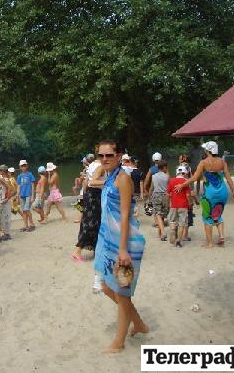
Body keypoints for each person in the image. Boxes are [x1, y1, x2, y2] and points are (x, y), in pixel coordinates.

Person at [93, 140, 148, 354]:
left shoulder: (123, 179)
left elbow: (125, 215)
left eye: (109, 155)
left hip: (124, 242)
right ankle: (139, 323)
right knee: (106, 286)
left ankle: (119, 342)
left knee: (122, 292)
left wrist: (123, 250)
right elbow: (92, 182)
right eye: (101, 155)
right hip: (108, 240)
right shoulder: (109, 178)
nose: (105, 159)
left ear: (118, 156)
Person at [174, 141, 234, 248]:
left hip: (210, 194)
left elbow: (194, 178)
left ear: (208, 151)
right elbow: (228, 178)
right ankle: (221, 236)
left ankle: (209, 243)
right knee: (217, 214)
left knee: (207, 217)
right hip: (223, 192)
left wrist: (182, 185)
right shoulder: (222, 162)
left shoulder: (203, 162)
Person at [71, 153, 105, 262]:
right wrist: (109, 182)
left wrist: (84, 196)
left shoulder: (92, 165)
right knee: (91, 223)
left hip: (90, 195)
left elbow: (86, 182)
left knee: (93, 222)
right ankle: (77, 251)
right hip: (95, 195)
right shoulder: (101, 166)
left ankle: (96, 250)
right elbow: (92, 181)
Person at [166, 166, 192, 247]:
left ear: (176, 172)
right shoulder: (186, 182)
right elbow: (188, 195)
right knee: (182, 223)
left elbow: (167, 194)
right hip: (183, 205)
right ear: (185, 173)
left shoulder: (171, 181)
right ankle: (179, 242)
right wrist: (190, 203)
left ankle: (173, 230)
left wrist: (168, 203)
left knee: (172, 220)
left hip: (174, 205)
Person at [150, 160, 170, 241]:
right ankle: (160, 234)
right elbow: (169, 188)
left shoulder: (154, 176)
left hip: (156, 195)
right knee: (162, 215)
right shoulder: (167, 177)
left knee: (158, 214)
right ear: (164, 167)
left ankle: (163, 232)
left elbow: (151, 188)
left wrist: (149, 198)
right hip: (165, 196)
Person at [16, 160, 36, 232]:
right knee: (23, 211)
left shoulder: (30, 174)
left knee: (27, 209)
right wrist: (17, 196)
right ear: (20, 167)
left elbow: (33, 186)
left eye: (24, 165)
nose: (23, 167)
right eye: (22, 166)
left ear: (27, 166)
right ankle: (25, 225)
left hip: (28, 195)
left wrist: (32, 196)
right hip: (22, 195)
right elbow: (18, 186)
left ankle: (32, 224)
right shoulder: (19, 176)